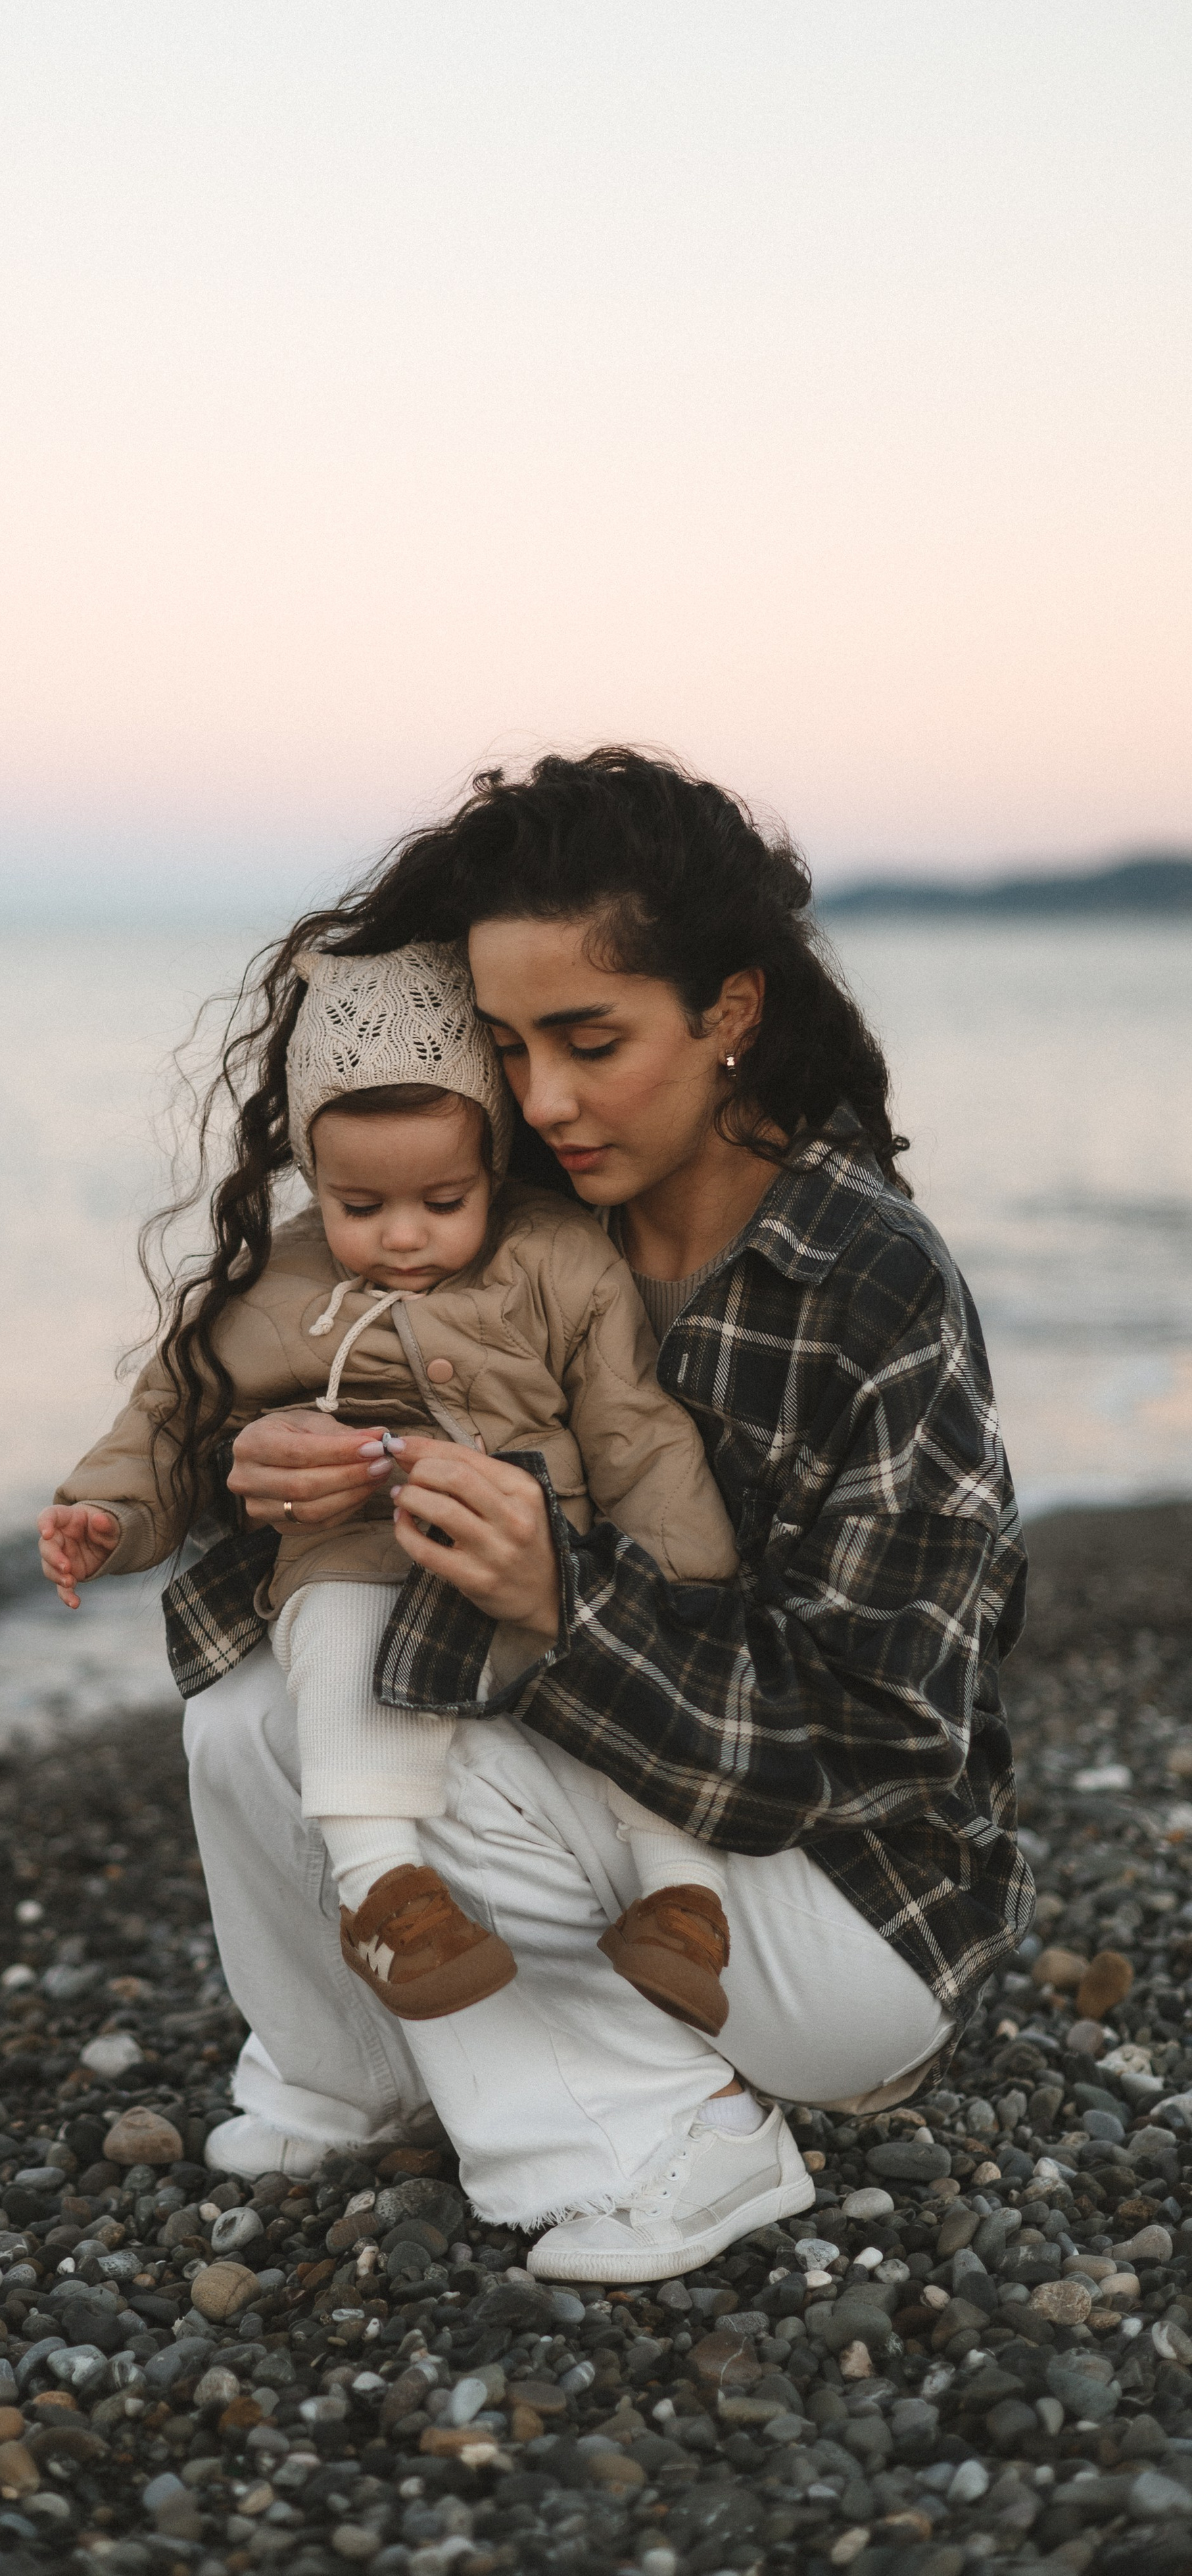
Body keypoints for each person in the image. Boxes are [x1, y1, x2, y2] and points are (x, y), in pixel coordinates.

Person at [173, 746, 1032, 2285]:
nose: (541, 1099)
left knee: (433, 1732)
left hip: (841, 1916)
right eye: (502, 1046)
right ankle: (361, 2073)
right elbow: (313, 1607)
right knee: (248, 1709)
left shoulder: (867, 1287)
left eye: (587, 1038)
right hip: (637, 1848)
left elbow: (864, 1742)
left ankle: (679, 2143)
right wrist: (290, 1467)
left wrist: (557, 1599)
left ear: (728, 1014)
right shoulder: (491, 1230)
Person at [41, 938, 743, 2039]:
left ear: (495, 1162)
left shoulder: (557, 1257)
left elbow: (636, 1428)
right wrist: (108, 1515)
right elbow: (168, 1419)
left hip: (542, 1554)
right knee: (333, 1635)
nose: (404, 1236)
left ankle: (684, 1902)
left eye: (444, 1199)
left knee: (629, 1693)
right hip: (362, 1546)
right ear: (314, 1182)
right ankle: (383, 1891)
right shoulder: (274, 1282)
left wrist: (683, 1574)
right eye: (361, 1206)